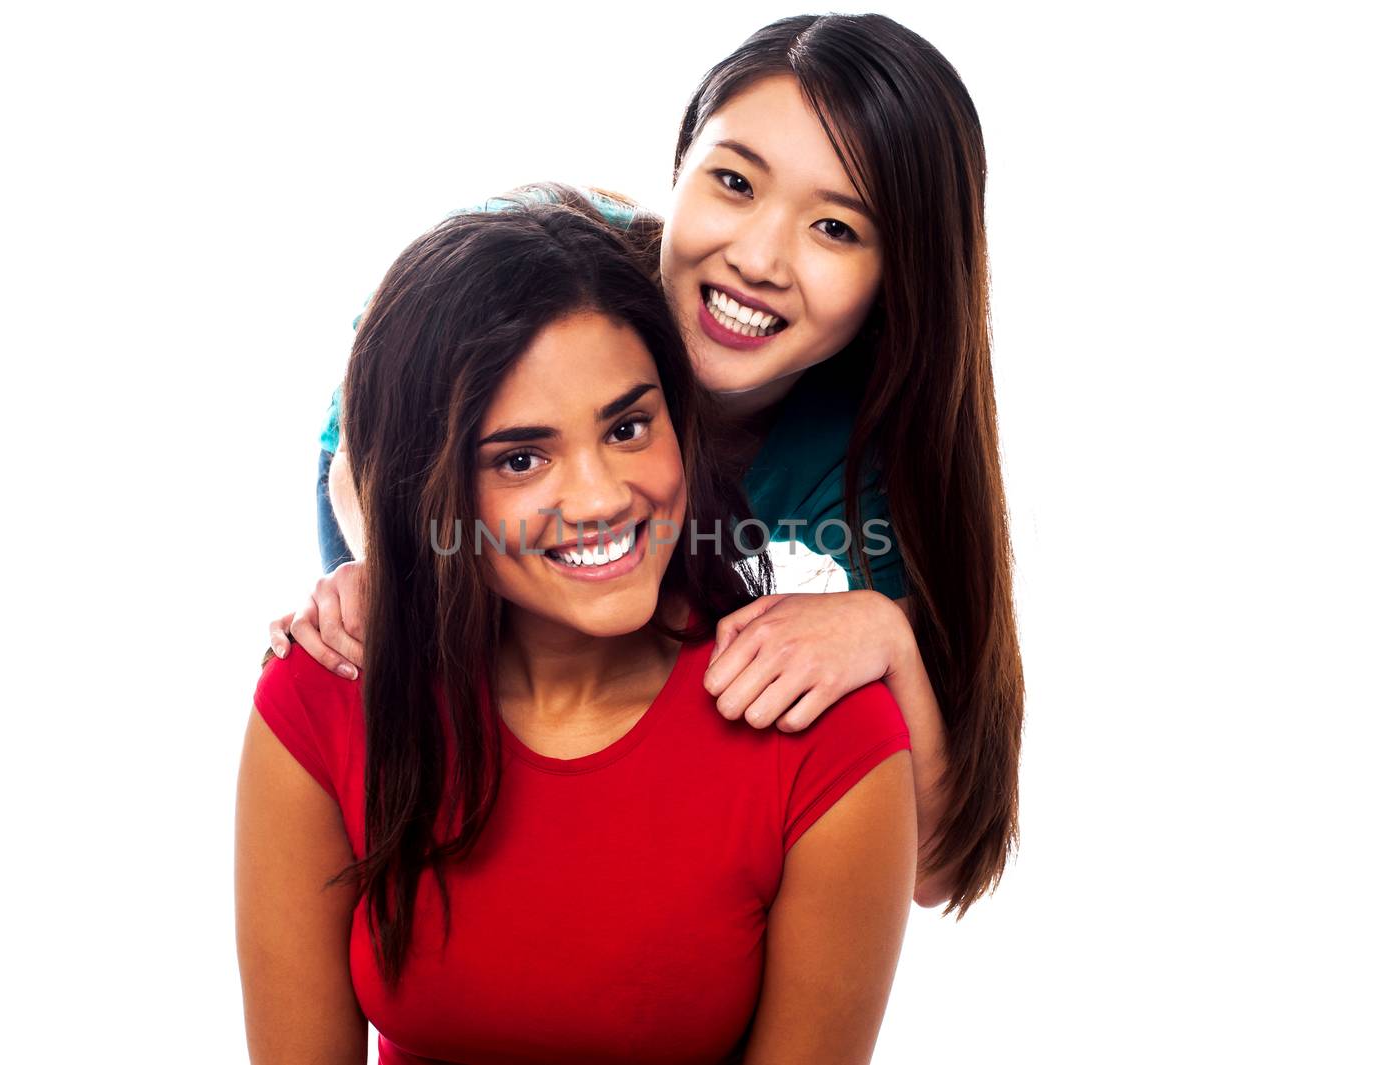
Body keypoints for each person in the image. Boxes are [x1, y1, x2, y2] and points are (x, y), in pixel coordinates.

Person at [277, 12, 1023, 915]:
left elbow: (935, 865)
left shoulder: (869, 454)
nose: (756, 258)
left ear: (900, 277)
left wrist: (890, 637)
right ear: (679, 171)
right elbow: (364, 433)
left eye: (835, 228)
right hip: (407, 502)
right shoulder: (531, 271)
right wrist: (391, 567)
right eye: (735, 182)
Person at [237, 202, 919, 1063]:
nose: (600, 499)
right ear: (430, 490)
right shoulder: (323, 695)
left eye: (629, 427)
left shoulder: (826, 739)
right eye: (521, 459)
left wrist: (891, 633)